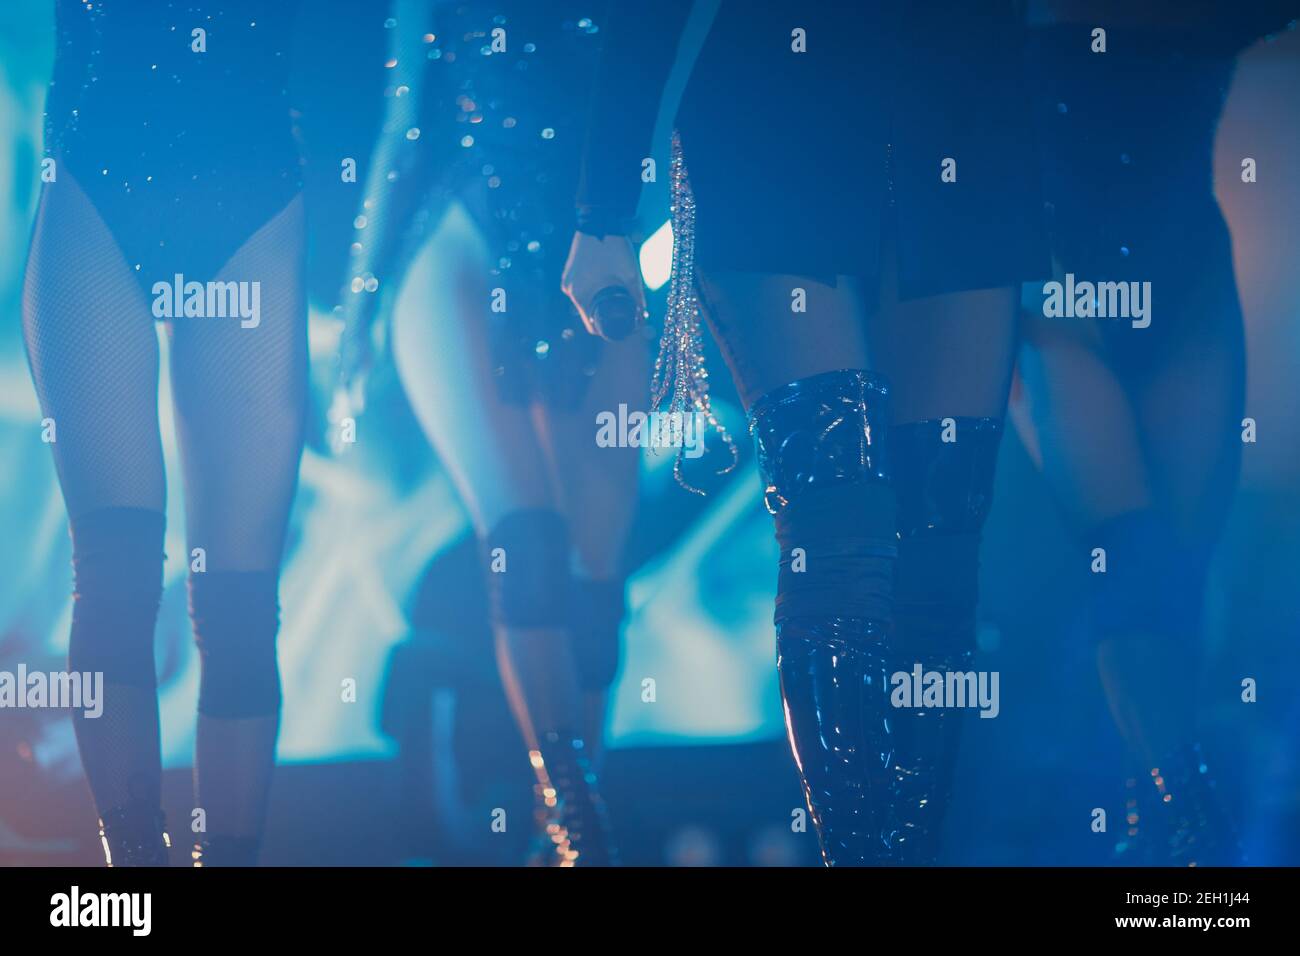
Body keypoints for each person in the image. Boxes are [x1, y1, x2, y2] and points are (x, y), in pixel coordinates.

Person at [563, 0, 1047, 865]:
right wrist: (601, 211)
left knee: (940, 555)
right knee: (840, 539)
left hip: (969, 130)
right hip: (778, 119)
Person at [336, 0, 645, 864]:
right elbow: (407, 121)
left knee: (594, 579)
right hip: (462, 244)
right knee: (528, 544)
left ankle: (576, 836)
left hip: (595, 253)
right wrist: (360, 311)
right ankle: (577, 823)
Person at [1012, 1, 1299, 865]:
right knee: (1134, 563)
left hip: (1184, 280)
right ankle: (1192, 845)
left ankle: (1164, 846)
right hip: (1056, 285)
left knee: (1174, 574)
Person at [24, 0, 308, 866]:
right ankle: (134, 886)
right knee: (113, 578)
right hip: (97, 185)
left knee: (238, 603)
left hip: (250, 195)